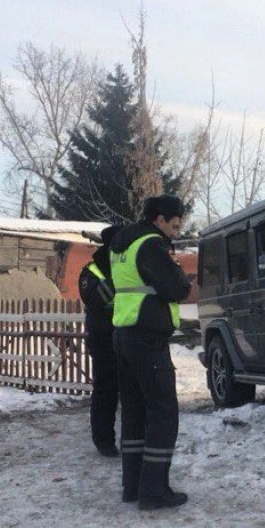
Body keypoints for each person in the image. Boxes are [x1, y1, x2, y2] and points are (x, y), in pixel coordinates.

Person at [110, 195, 191, 511]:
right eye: (173, 223)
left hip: (125, 334)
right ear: (159, 219)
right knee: (163, 413)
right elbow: (177, 288)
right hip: (146, 338)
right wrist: (181, 277)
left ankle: (133, 486)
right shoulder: (151, 244)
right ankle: (154, 492)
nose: (176, 230)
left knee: (134, 413)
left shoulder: (123, 245)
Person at [78, 224, 123, 458]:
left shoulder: (129, 264)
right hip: (104, 338)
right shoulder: (92, 271)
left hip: (129, 336)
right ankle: (104, 441)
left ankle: (132, 440)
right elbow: (95, 299)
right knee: (106, 390)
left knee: (132, 391)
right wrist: (120, 278)